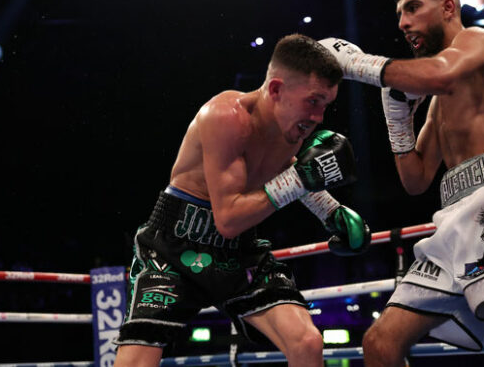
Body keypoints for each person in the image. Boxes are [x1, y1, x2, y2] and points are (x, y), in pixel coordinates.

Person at [319, 0, 484, 367]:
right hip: (453, 223)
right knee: (380, 345)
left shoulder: (480, 42)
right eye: (399, 14)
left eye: (412, 8)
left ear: (447, 8)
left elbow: (439, 72)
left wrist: (356, 64)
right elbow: (416, 179)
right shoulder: (441, 100)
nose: (403, 23)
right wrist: (397, 120)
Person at [113, 33, 372, 367]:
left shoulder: (292, 125)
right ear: (276, 89)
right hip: (174, 245)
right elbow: (229, 220)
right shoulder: (224, 117)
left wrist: (330, 211)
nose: (319, 117)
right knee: (135, 362)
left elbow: (286, 169)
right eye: (313, 101)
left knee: (307, 342)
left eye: (326, 105)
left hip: (238, 252)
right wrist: (302, 179)